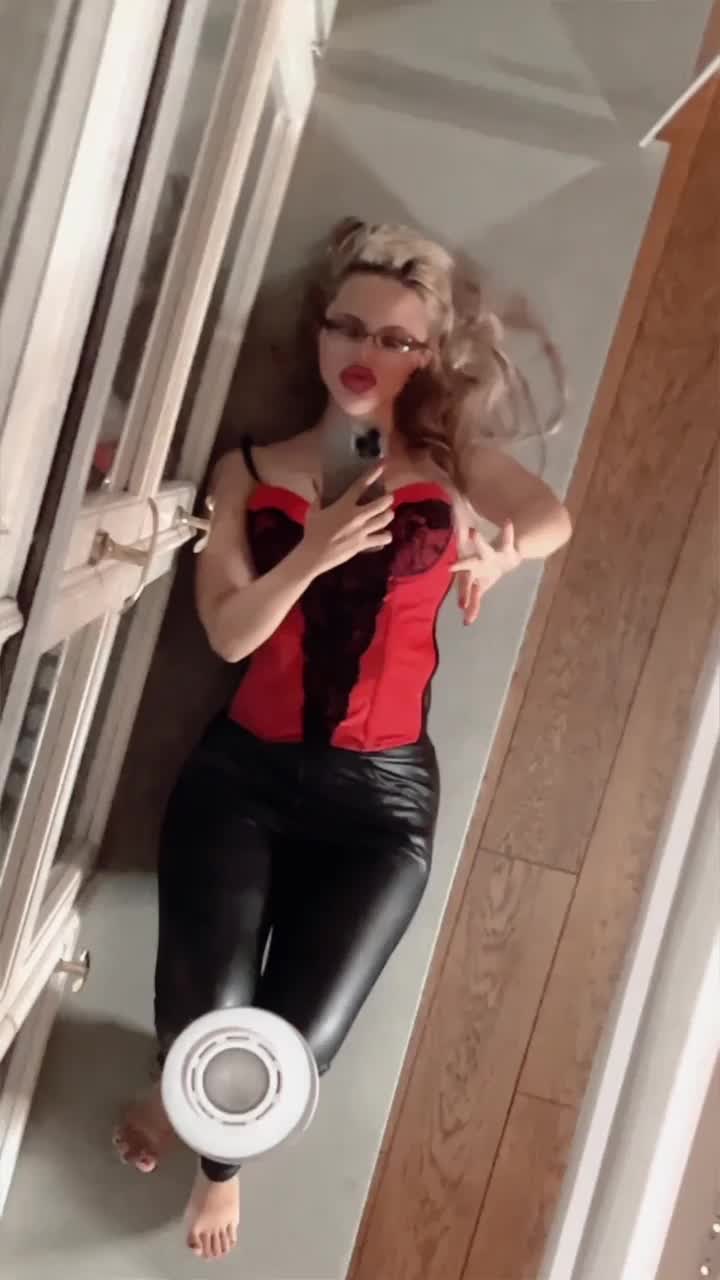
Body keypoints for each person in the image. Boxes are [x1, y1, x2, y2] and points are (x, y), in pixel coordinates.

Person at [112, 218, 572, 1260]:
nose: (367, 351)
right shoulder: (248, 468)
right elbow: (230, 632)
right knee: (203, 1019)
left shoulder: (450, 462)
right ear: (318, 332)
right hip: (244, 777)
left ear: (429, 355)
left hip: (383, 803)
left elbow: (552, 518)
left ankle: (202, 1131)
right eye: (349, 326)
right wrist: (312, 552)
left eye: (398, 339)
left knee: (301, 1043)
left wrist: (505, 558)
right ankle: (198, 1122)